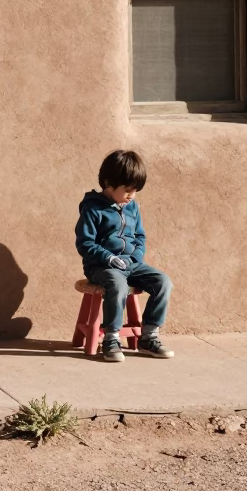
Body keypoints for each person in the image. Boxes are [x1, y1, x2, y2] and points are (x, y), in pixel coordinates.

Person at [75, 149, 174, 362]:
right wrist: (108, 258)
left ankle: (149, 336)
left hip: (131, 264)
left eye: (135, 191)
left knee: (163, 281)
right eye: (127, 190)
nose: (131, 196)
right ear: (109, 184)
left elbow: (140, 237)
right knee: (118, 285)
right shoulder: (92, 209)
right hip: (101, 267)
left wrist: (134, 258)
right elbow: (85, 243)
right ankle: (111, 338)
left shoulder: (132, 207)